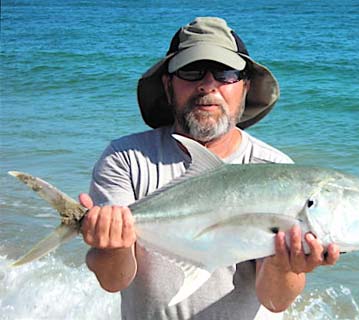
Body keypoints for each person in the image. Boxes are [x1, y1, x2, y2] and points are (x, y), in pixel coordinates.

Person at [79, 17, 340, 319]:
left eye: (225, 73)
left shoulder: (276, 171)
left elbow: (274, 301)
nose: (207, 85)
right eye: (191, 71)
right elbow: (114, 281)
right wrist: (112, 245)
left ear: (245, 87)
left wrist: (285, 266)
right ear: (168, 84)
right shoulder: (126, 159)